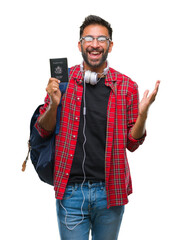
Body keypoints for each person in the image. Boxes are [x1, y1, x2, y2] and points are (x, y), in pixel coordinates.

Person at [35, 15, 160, 240]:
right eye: (89, 38)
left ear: (110, 45)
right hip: (70, 193)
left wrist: (142, 115)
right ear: (80, 44)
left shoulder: (127, 87)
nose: (95, 44)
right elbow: (43, 131)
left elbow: (132, 143)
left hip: (110, 192)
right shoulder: (62, 82)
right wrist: (54, 104)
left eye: (102, 39)